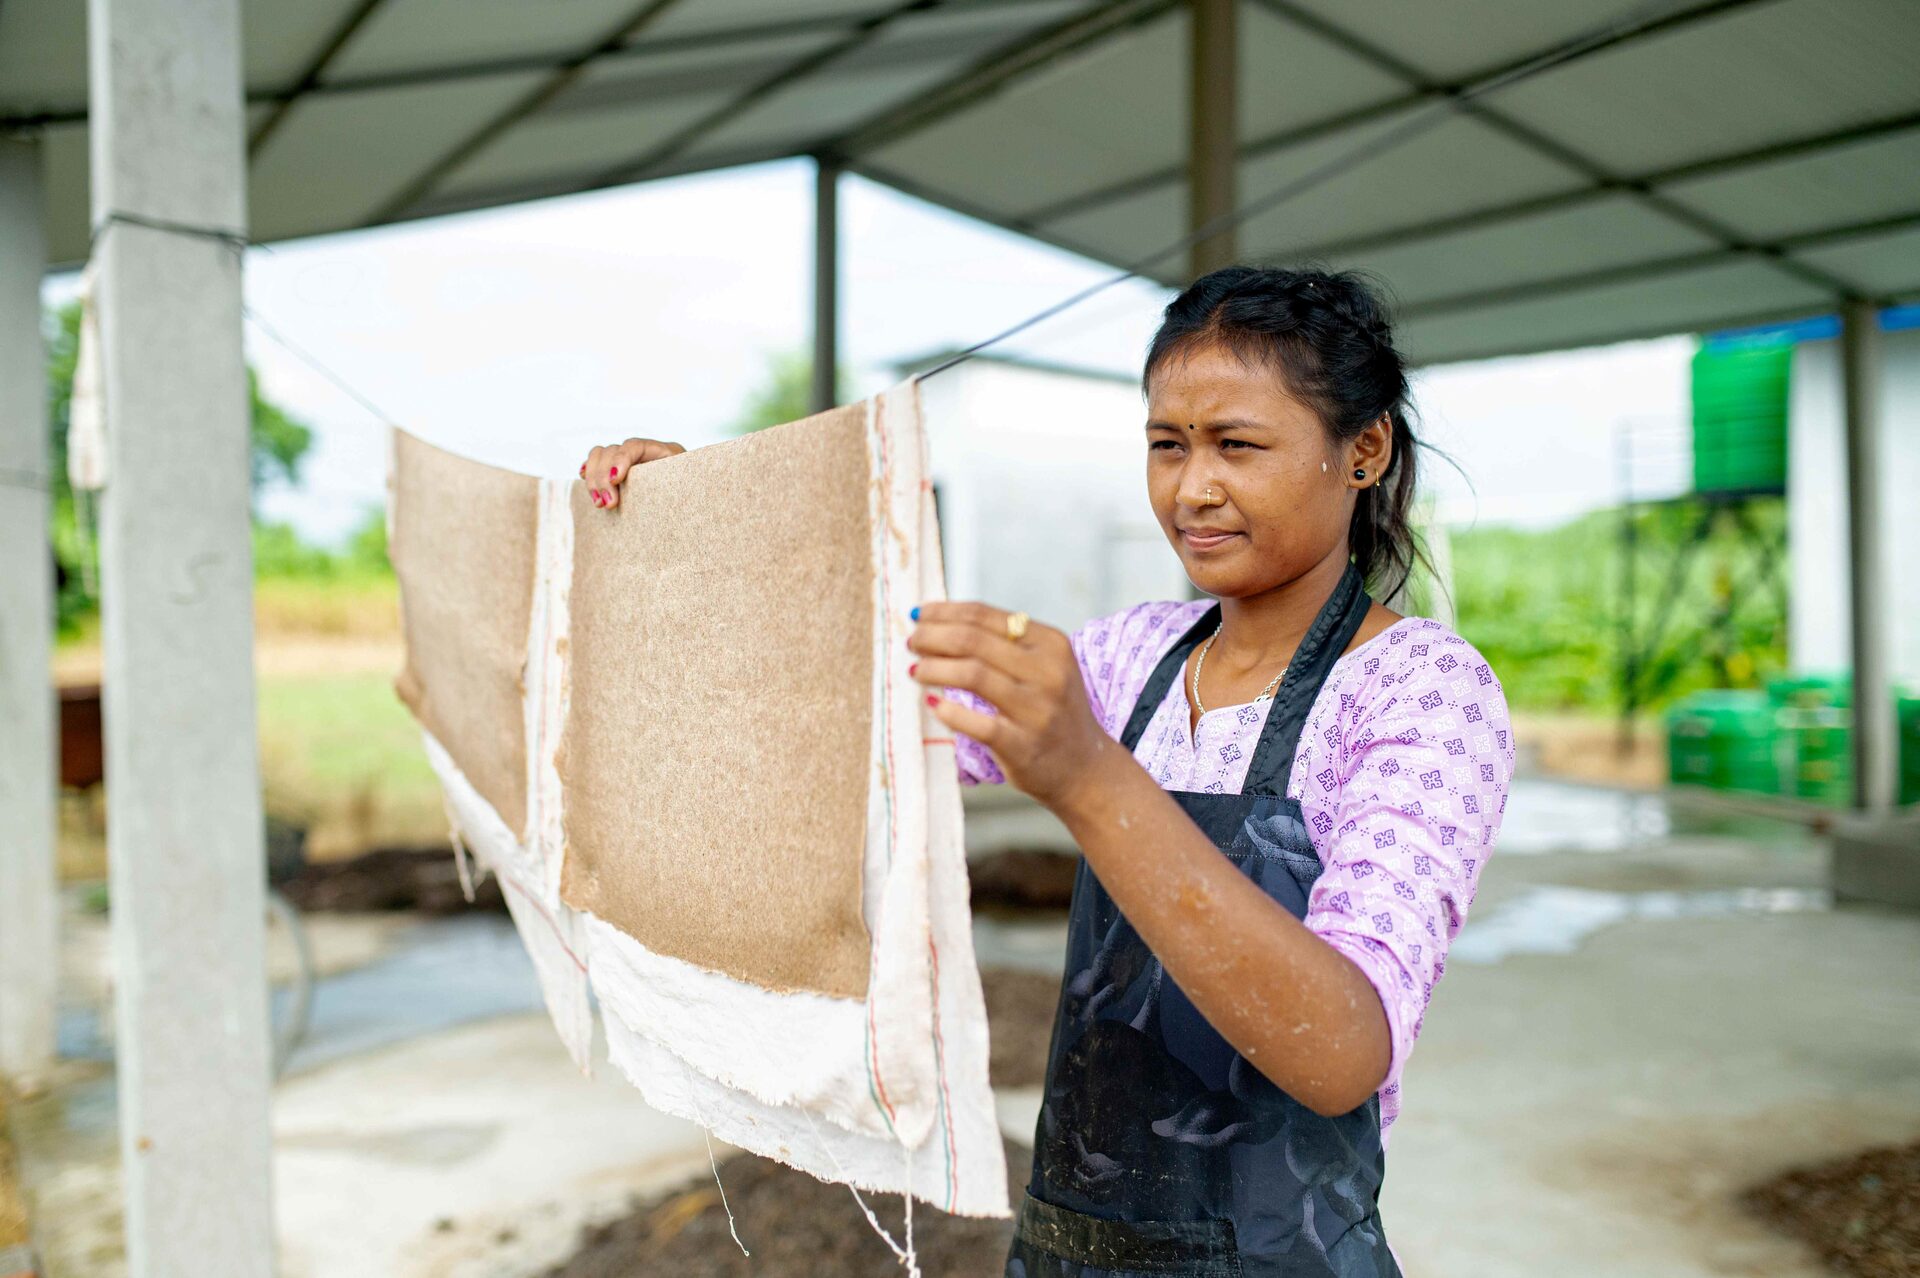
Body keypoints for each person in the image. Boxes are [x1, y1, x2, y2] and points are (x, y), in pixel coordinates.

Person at [579, 265, 1513, 1277]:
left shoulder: (1419, 691)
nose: (1192, 488)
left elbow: (1340, 1053)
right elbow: (856, 715)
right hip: (1069, 1249)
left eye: (1237, 445)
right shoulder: (1128, 657)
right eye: (1167, 444)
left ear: (1364, 450)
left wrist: (1089, 779)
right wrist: (706, 545)